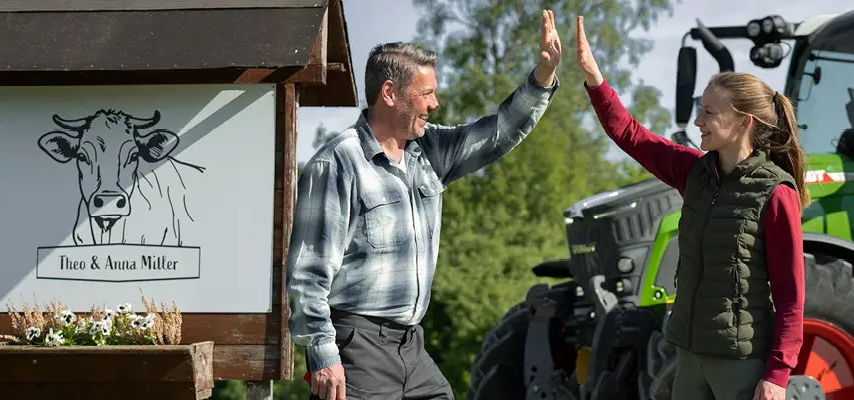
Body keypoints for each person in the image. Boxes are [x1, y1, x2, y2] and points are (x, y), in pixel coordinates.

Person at [286, 10, 563, 400]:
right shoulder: (337, 163)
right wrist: (321, 354)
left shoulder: (430, 150)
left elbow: (498, 132)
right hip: (357, 344)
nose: (435, 104)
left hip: (411, 344)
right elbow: (308, 274)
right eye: (426, 93)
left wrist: (543, 77)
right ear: (389, 93)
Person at [572, 16, 807, 400]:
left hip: (739, 363)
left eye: (710, 113)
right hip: (688, 355)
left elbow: (790, 294)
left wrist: (778, 375)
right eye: (701, 110)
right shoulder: (693, 172)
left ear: (744, 122)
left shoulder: (776, 192)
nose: (698, 121)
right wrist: (595, 78)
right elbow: (630, 134)